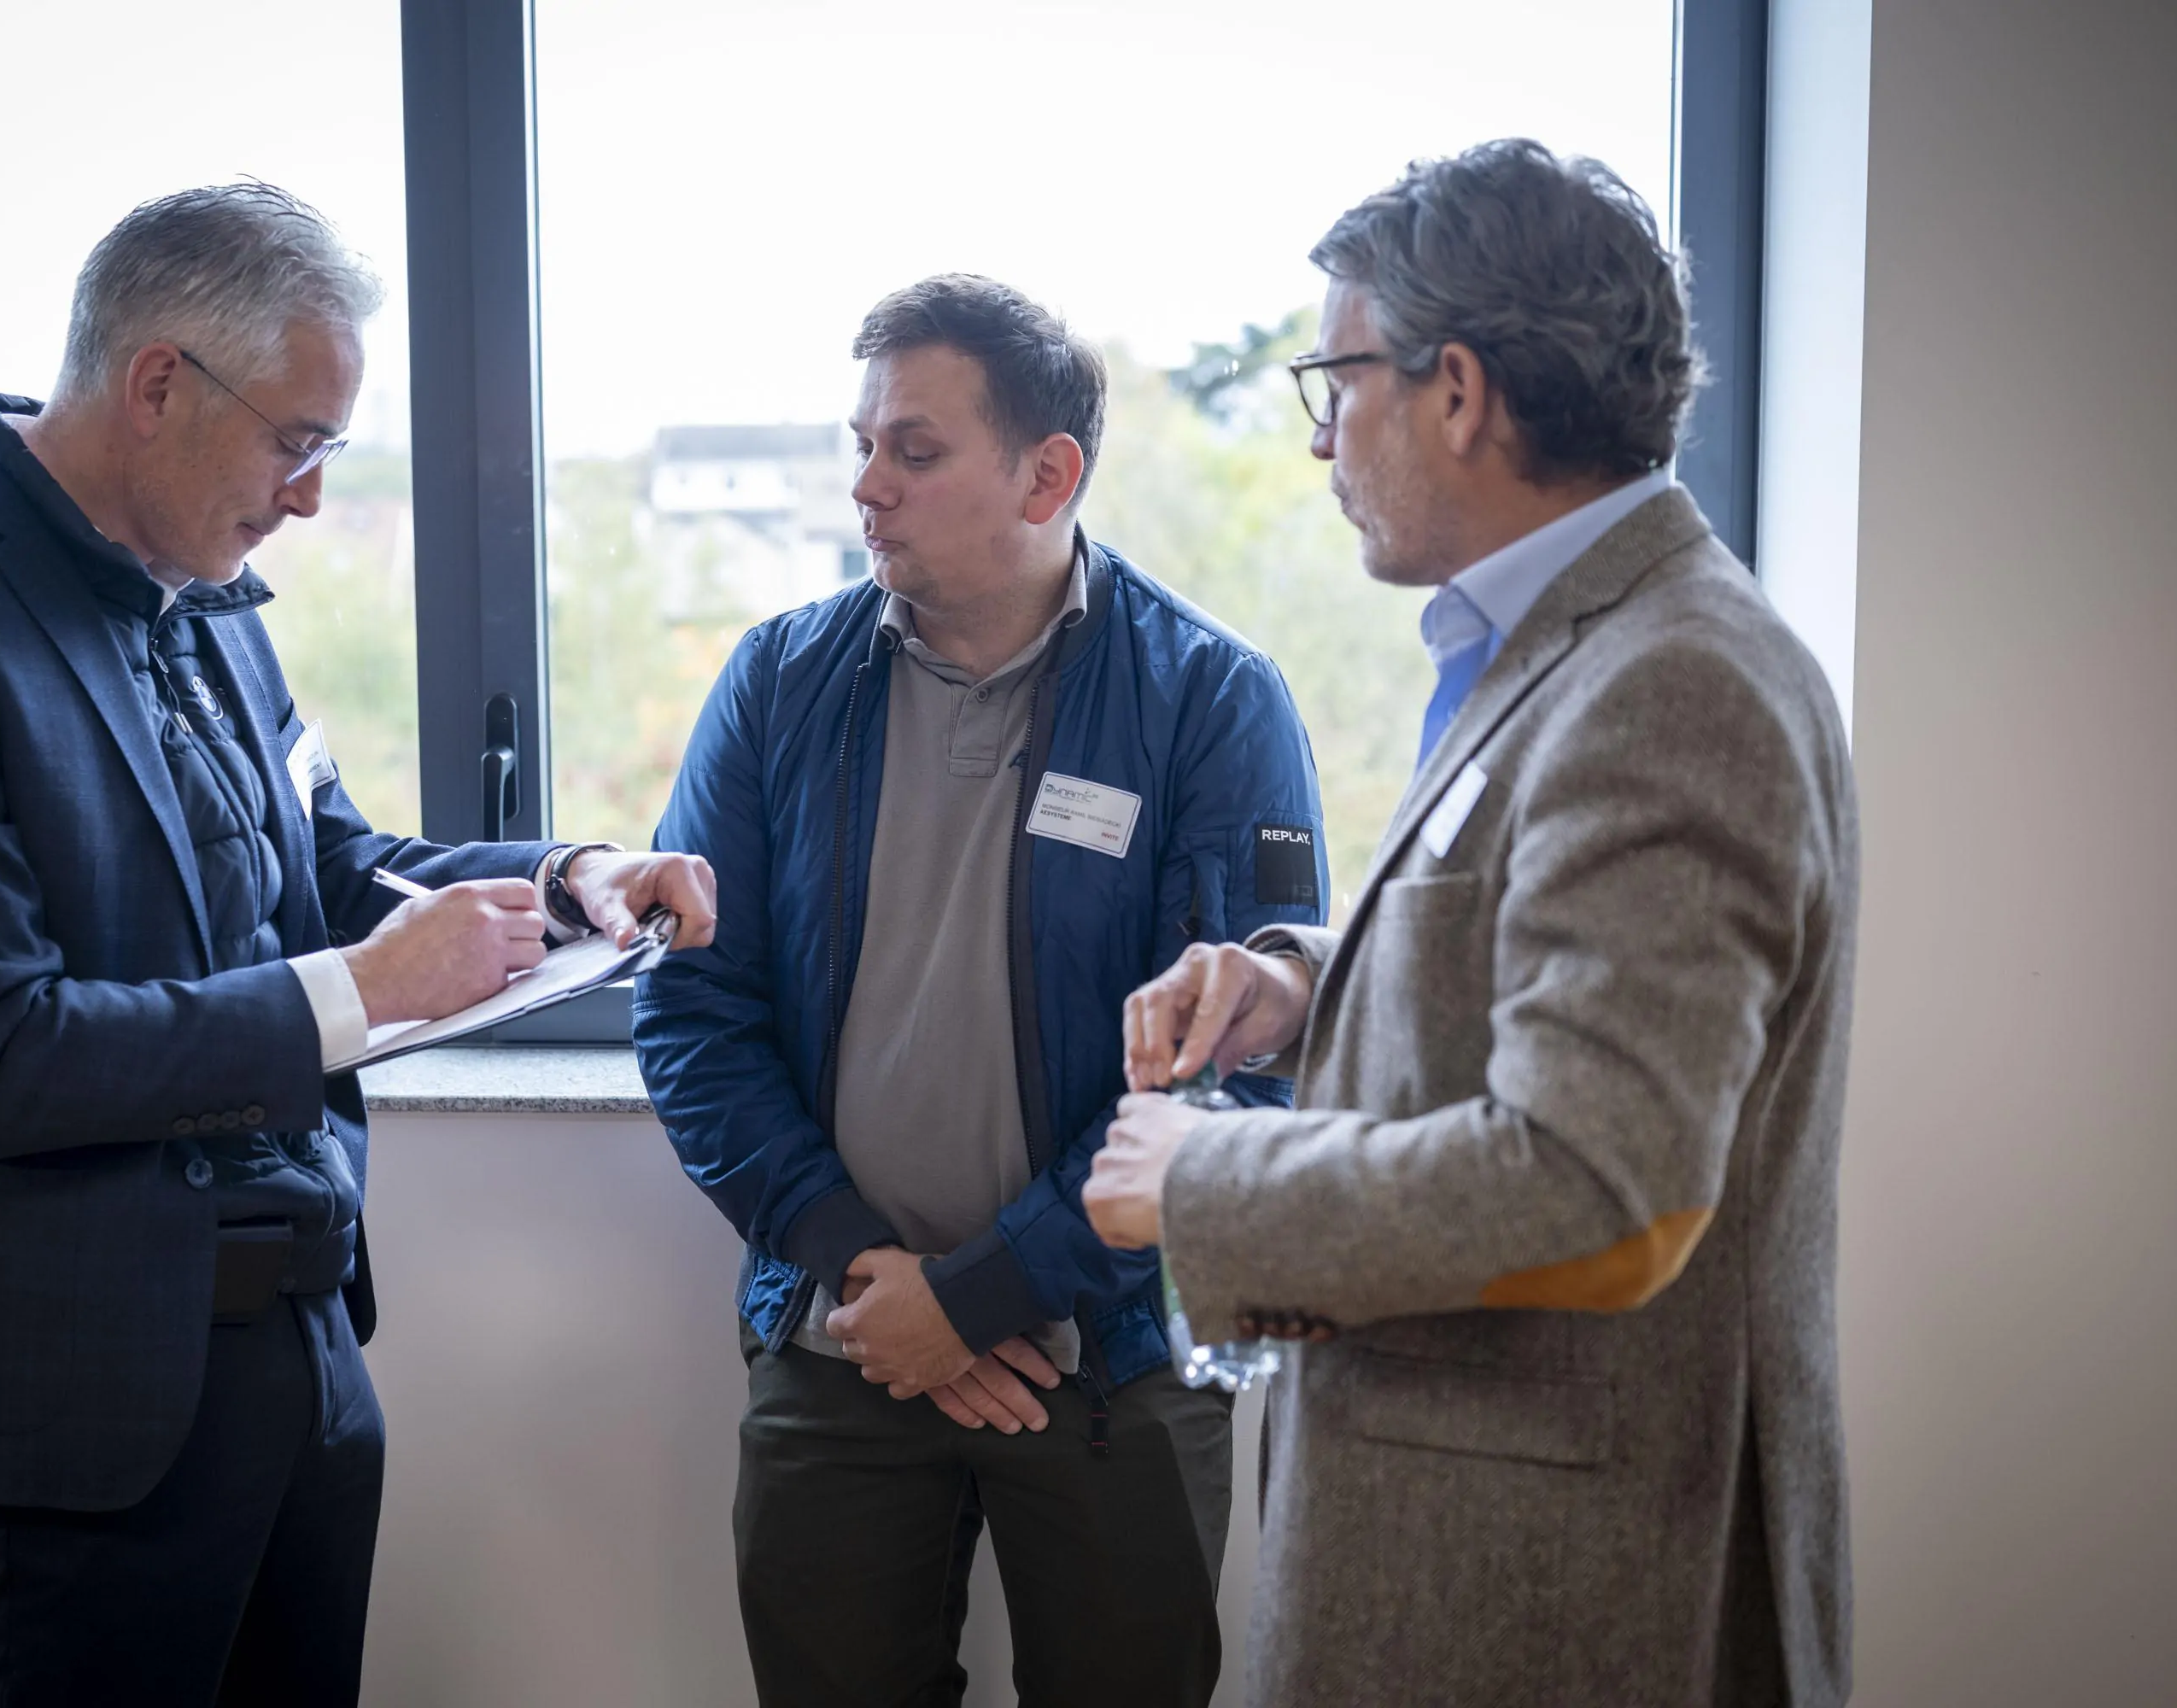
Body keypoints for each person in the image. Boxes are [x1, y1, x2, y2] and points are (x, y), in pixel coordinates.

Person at [0, 184, 714, 1708]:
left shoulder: (205, 600)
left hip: (303, 1353)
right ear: (157, 385)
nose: (311, 498)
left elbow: (327, 865)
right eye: (298, 442)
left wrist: (568, 875)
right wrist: (364, 992)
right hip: (79, 1406)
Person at [1087, 140, 1859, 1707]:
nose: (1322, 441)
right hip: (1487, 1545)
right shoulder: (1574, 645)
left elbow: (1596, 1182)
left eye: (1337, 381)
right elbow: (1524, 948)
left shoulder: (1670, 682)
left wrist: (1204, 1179)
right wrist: (1302, 986)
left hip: (1559, 1589)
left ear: (1457, 391)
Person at [634, 274, 1327, 1705]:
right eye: (863, 443)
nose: (865, 486)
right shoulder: (777, 681)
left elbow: (1232, 1069)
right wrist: (870, 1275)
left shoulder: (1211, 697)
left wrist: (983, 1294)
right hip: (842, 1335)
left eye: (915, 449)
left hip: (1115, 1352)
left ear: (1047, 476)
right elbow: (693, 1014)